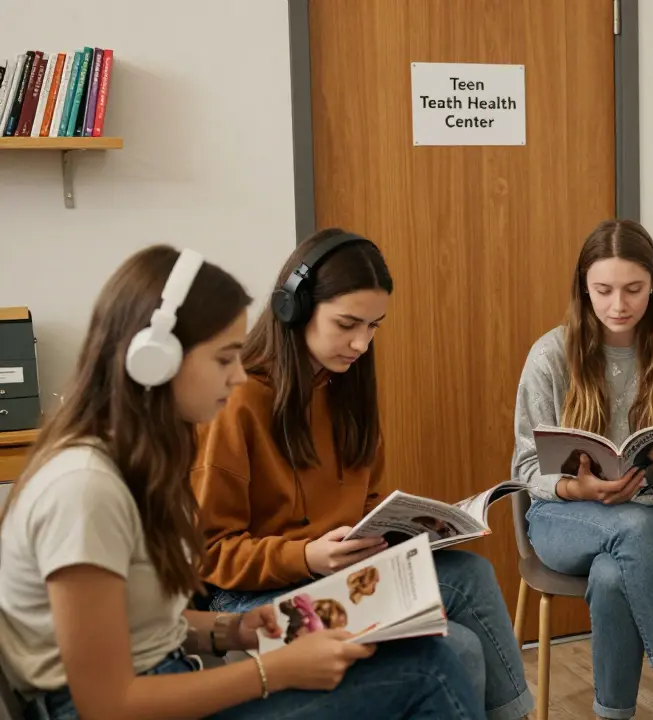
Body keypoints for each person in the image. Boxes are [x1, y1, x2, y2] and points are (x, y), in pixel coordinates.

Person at [0, 246, 483, 719]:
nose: (237, 378)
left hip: (166, 675)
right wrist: (276, 670)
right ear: (156, 360)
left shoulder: (132, 464)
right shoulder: (85, 490)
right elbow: (106, 704)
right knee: (429, 669)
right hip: (129, 702)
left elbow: (137, 626)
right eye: (224, 359)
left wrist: (238, 631)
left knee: (429, 647)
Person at [190, 230, 531, 720]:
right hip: (250, 599)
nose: (361, 343)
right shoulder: (238, 400)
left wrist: (403, 529)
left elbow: (363, 502)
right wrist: (307, 555)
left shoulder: (347, 391)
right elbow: (212, 554)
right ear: (295, 307)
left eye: (374, 326)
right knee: (456, 648)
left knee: (472, 574)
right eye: (347, 324)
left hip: (335, 574)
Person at [511, 219, 653, 720]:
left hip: (650, 518)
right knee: (632, 530)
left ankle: (612, 715)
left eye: (633, 290)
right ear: (584, 287)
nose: (618, 305)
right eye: (603, 290)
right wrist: (573, 485)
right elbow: (524, 468)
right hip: (562, 519)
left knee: (612, 573)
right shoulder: (549, 356)